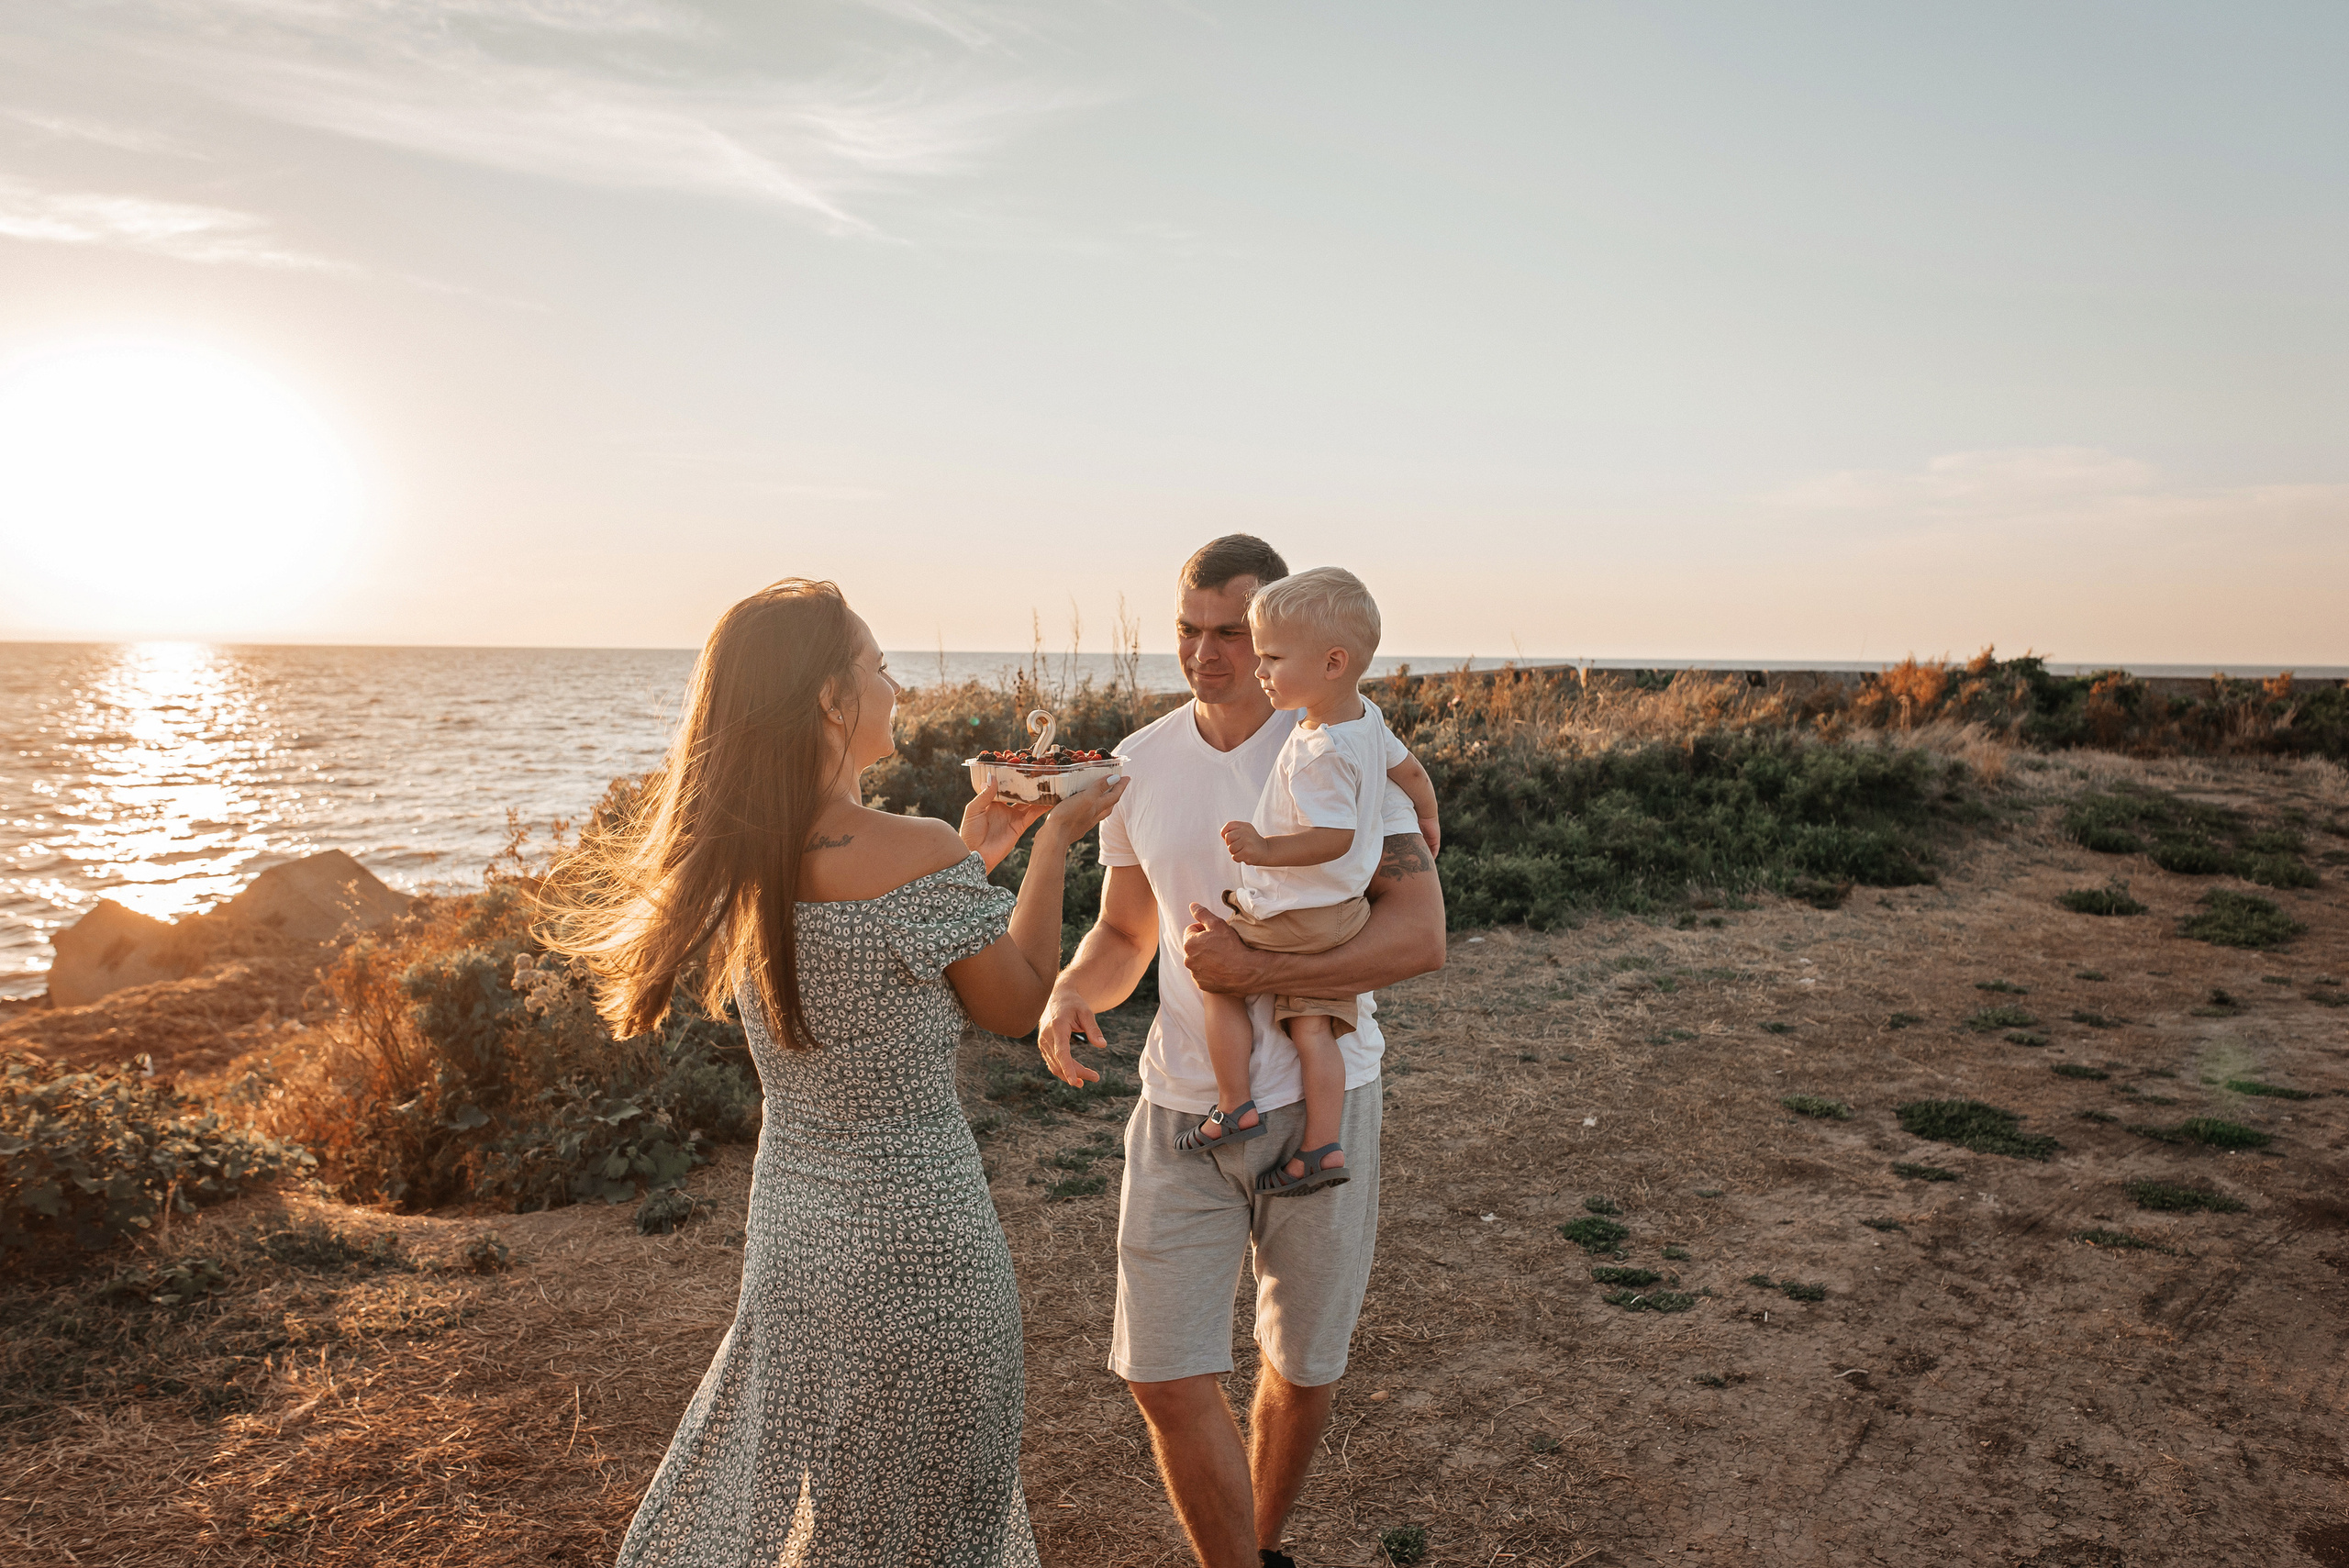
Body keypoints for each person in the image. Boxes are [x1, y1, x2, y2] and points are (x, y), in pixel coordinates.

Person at [537, 578, 1125, 1568]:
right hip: (918, 1237)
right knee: (936, 1515)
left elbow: (865, 955)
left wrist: (972, 856)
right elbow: (1018, 1001)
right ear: (826, 697)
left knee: (841, 1507)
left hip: (800, 1235)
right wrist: (1056, 840)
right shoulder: (909, 849)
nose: (894, 685)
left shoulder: (748, 851)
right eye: (878, 664)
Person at [1034, 537, 1448, 1568]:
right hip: (1180, 1105)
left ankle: (1254, 1550)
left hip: (1322, 1094)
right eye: (1188, 630)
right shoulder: (1139, 761)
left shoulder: (1337, 745)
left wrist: (1251, 976)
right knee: (1163, 1370)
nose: (1207, 652)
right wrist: (1071, 987)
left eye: (1232, 631)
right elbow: (1130, 929)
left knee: (1301, 1367)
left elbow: (1418, 936)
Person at [1182, 567, 1440, 1203]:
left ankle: (1235, 1103)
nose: (1261, 670)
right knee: (1314, 1028)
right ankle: (1322, 1145)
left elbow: (1335, 836)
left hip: (1298, 910)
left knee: (1216, 976)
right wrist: (1429, 816)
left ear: (1331, 662)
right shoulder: (1369, 721)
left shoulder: (1319, 748)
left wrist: (1266, 847)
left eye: (1271, 656)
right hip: (1340, 913)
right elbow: (1411, 771)